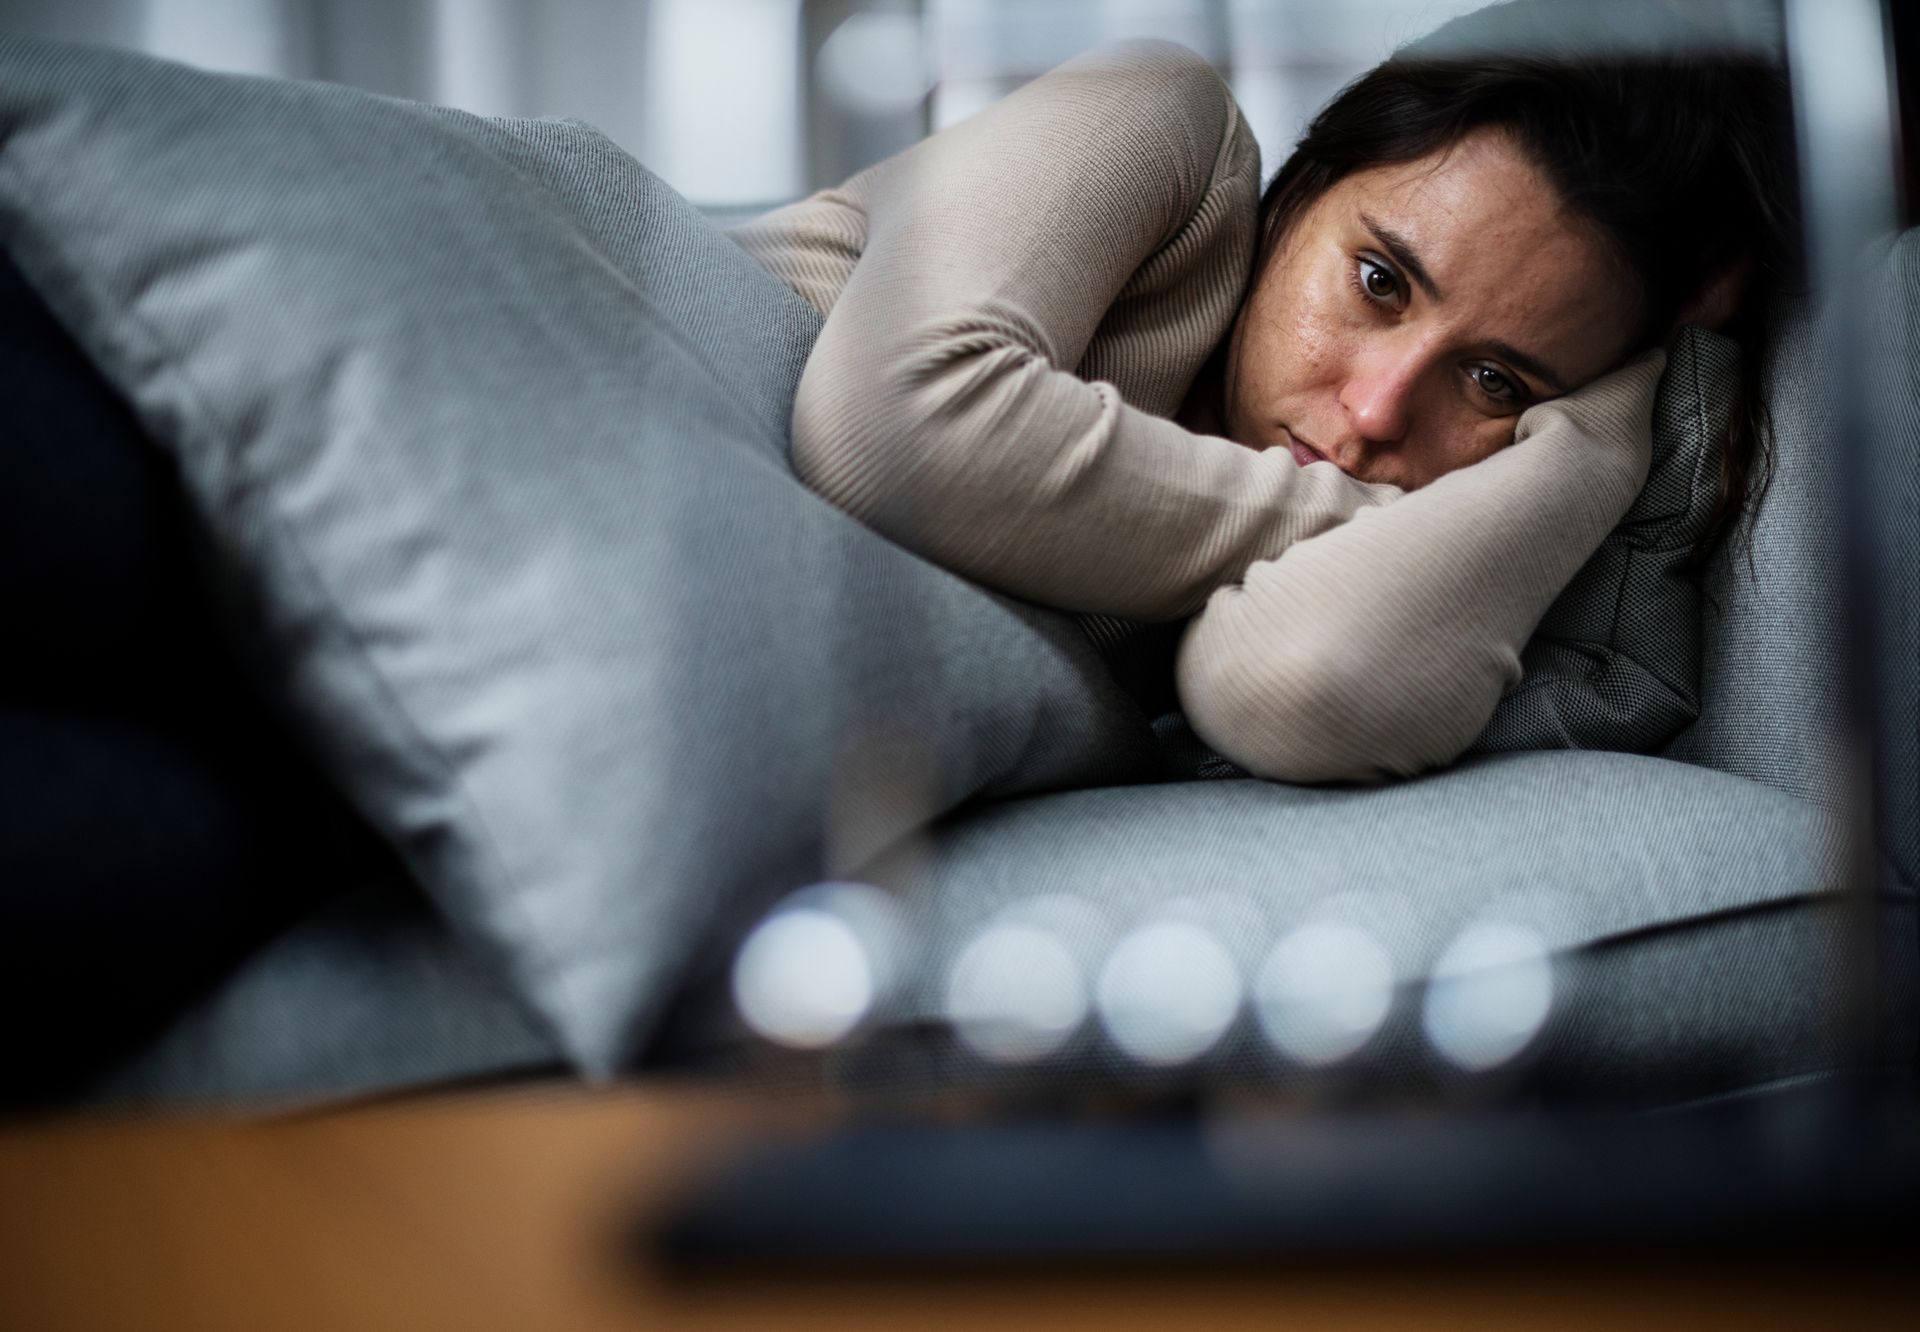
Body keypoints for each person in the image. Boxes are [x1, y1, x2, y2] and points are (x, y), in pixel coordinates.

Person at [732, 6, 1796, 784]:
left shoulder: (1329, 578)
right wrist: (1378, 517)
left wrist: (1605, 433)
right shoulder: (1157, 115)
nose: (1377, 412)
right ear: (1302, 191)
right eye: (1378, 281)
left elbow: (1299, 682)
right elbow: (892, 431)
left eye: (1493, 381)